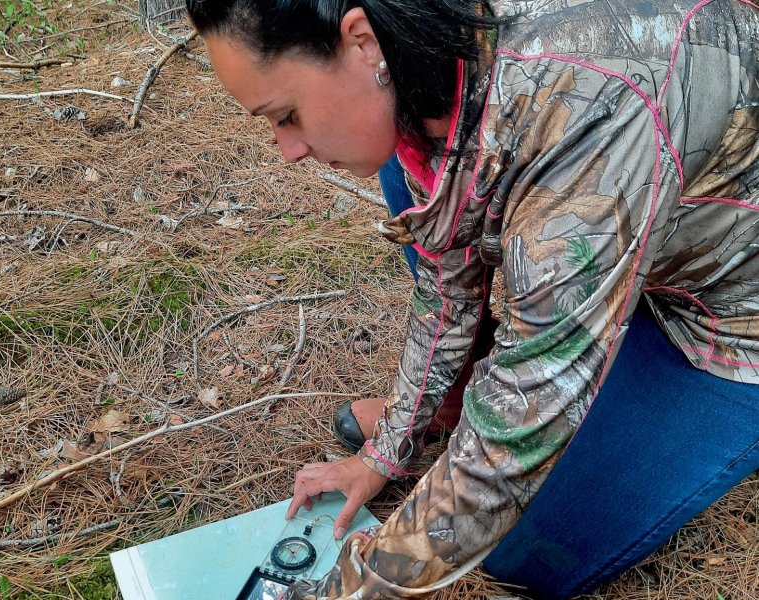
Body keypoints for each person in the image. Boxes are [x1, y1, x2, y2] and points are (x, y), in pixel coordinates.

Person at [185, 0, 759, 597]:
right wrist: (388, 451)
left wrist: (348, 590)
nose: (289, 150)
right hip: (635, 248)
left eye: (287, 115)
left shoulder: (593, 108)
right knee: (403, 164)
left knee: (524, 547)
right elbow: (446, 278)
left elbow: (522, 419)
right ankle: (460, 404)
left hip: (725, 316)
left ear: (361, 41)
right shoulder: (428, 54)